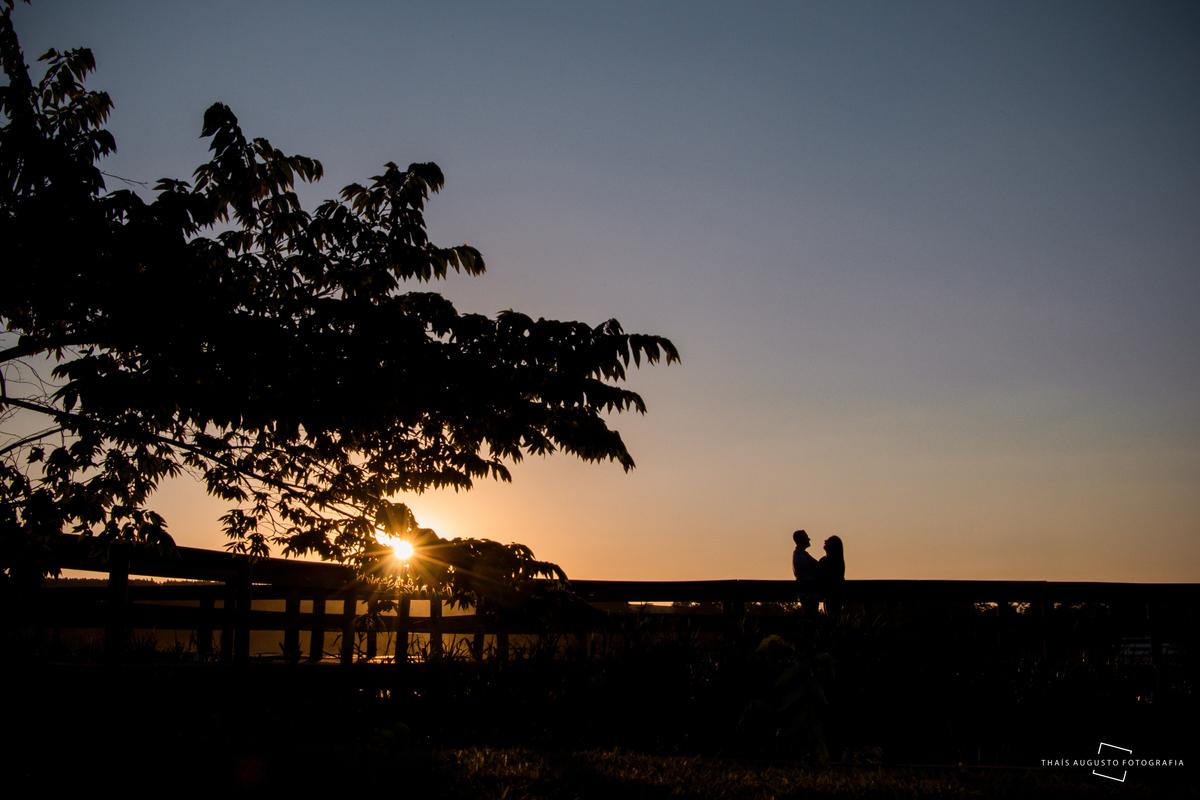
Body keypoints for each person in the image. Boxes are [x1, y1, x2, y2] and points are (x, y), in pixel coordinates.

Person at [792, 529, 821, 614]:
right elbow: (817, 568)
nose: (809, 539)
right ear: (801, 540)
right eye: (806, 537)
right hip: (808, 594)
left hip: (809, 593)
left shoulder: (802, 554)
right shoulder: (800, 556)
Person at [818, 535, 846, 617]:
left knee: (833, 615)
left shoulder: (836, 562)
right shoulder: (823, 560)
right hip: (826, 594)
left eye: (828, 541)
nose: (825, 541)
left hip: (835, 594)